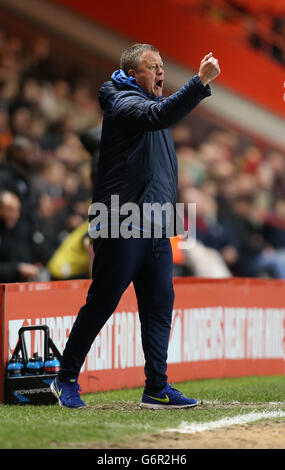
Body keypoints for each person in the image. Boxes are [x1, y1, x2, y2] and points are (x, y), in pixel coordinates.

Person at [51, 44, 220, 409]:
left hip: (159, 224)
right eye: (152, 67)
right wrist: (199, 83)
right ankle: (64, 378)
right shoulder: (123, 103)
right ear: (131, 74)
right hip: (121, 220)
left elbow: (162, 121)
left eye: (162, 65)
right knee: (102, 303)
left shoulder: (151, 106)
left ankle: (156, 388)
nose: (160, 72)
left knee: (159, 306)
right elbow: (159, 115)